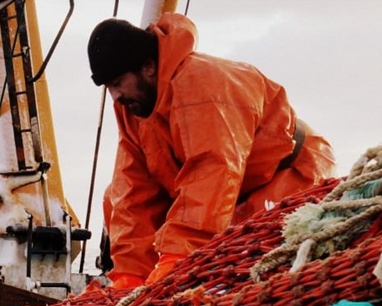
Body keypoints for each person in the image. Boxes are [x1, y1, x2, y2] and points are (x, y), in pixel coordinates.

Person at [87, 14, 336, 289]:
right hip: (229, 192)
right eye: (109, 88)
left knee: (247, 265)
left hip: (288, 173)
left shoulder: (200, 84)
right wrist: (130, 275)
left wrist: (176, 258)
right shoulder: (133, 107)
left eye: (118, 82)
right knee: (114, 196)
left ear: (148, 66)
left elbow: (211, 173)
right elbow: (133, 191)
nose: (116, 96)